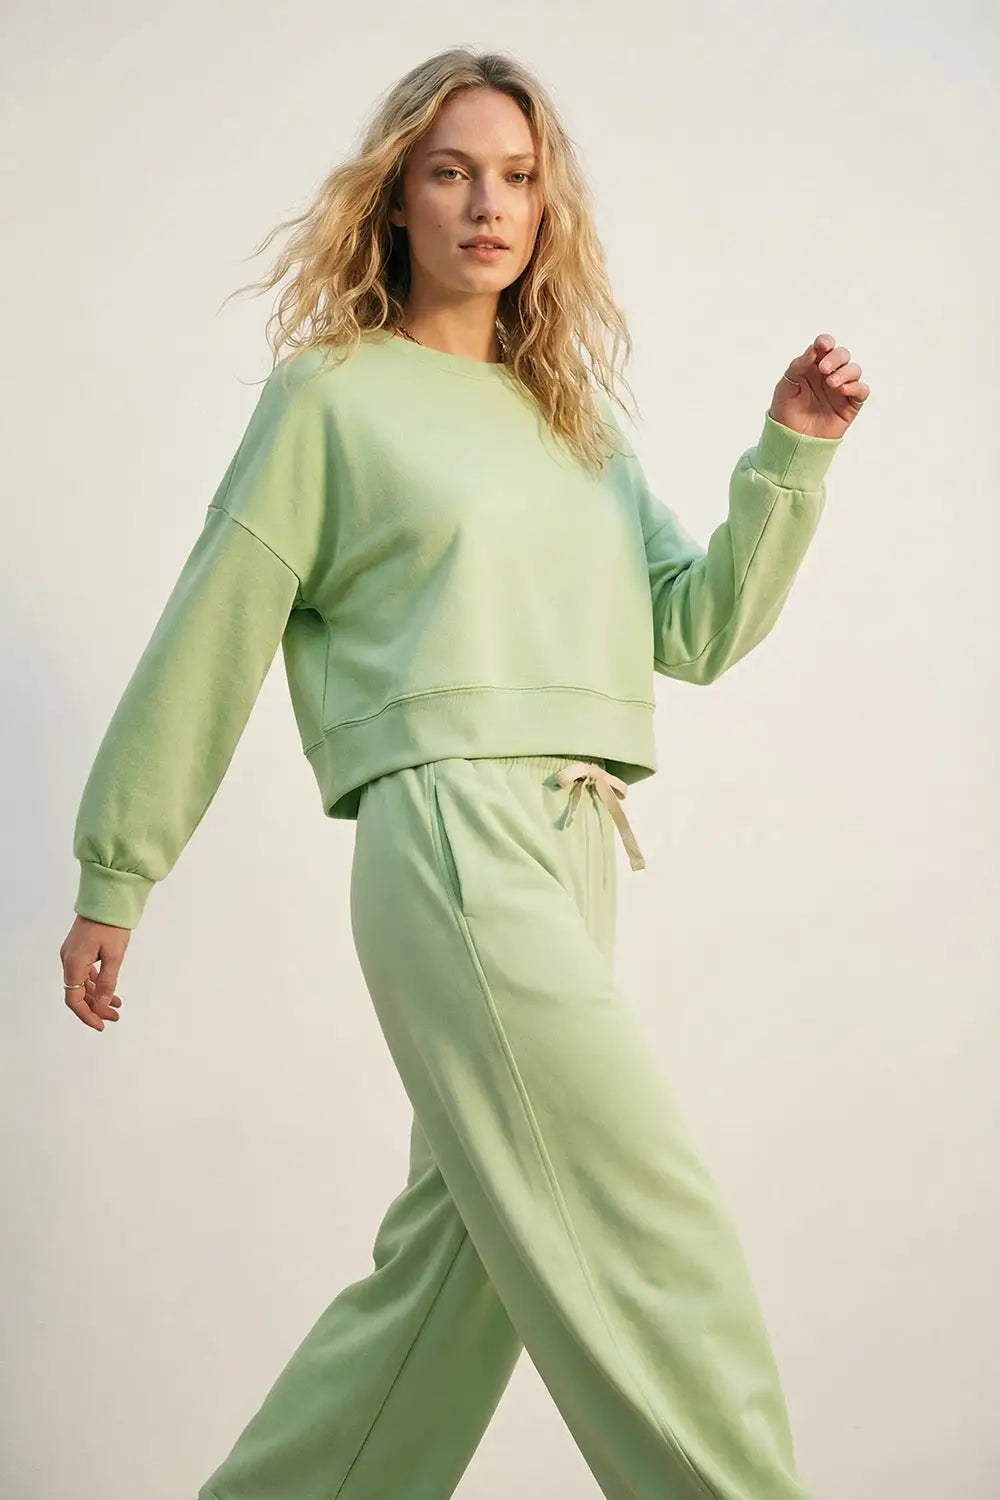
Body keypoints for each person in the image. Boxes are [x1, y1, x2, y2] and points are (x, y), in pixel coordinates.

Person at [59, 45, 868, 1500]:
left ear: (546, 208)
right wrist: (120, 869)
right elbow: (215, 625)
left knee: (462, 1272)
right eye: (451, 173)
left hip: (578, 829)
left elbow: (693, 627)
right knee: (640, 1211)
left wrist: (791, 455)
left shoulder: (575, 422)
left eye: (516, 176)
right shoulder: (332, 397)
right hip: (446, 824)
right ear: (398, 199)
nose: (488, 204)